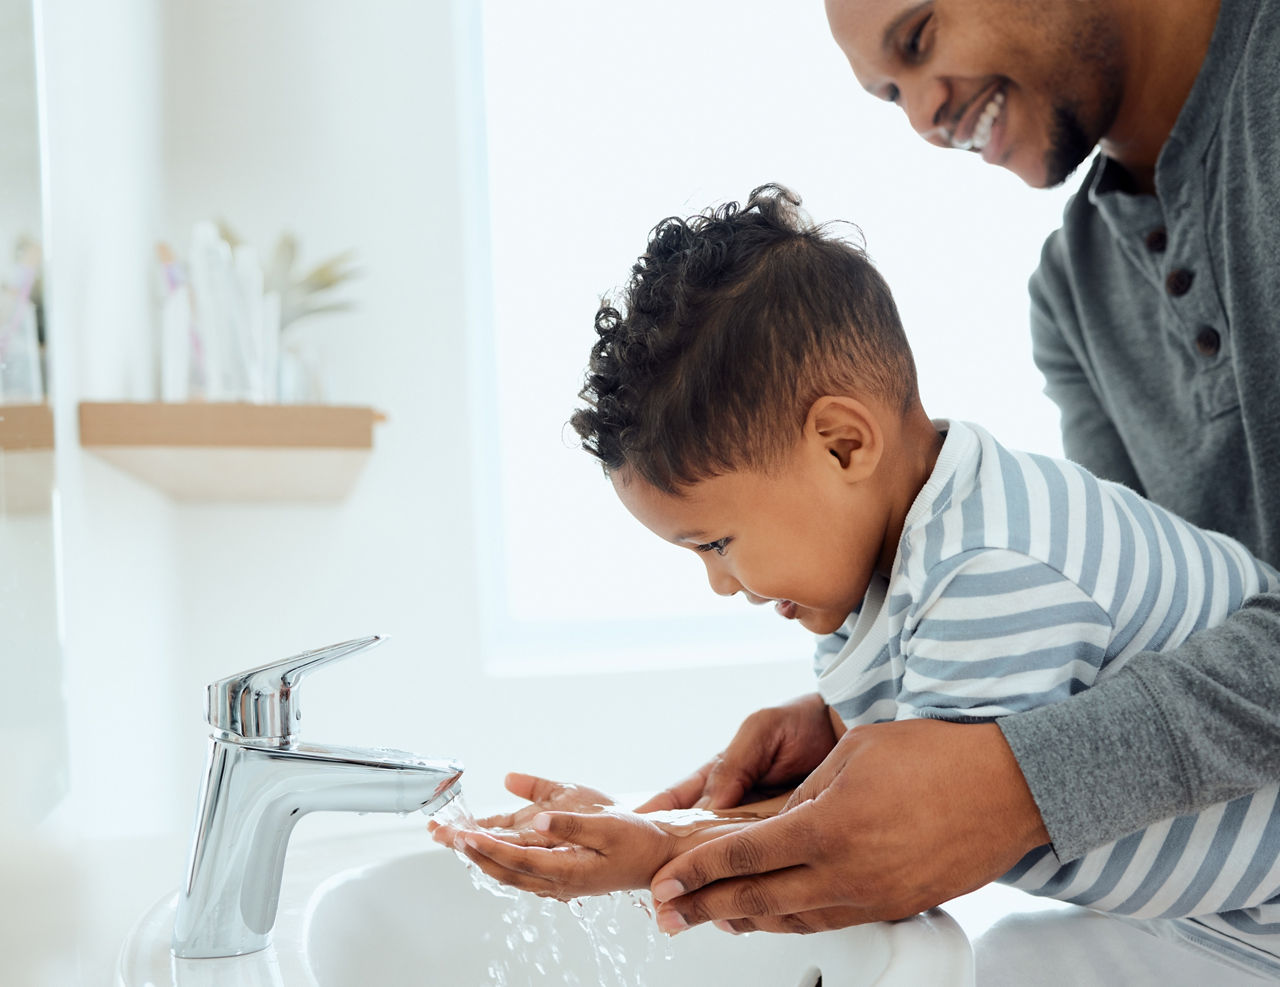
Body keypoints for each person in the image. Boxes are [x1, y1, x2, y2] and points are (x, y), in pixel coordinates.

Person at [433, 186, 1280, 970]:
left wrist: (652, 843)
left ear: (844, 443)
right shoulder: (895, 551)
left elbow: (897, 833)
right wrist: (668, 814)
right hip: (1211, 921)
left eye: (719, 542)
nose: (722, 585)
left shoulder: (987, 568)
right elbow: (864, 778)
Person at [635, 0, 1280, 944]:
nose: (922, 118)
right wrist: (867, 722)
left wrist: (1021, 778)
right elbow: (1150, 637)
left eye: (921, 36)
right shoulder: (1075, 289)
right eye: (887, 92)